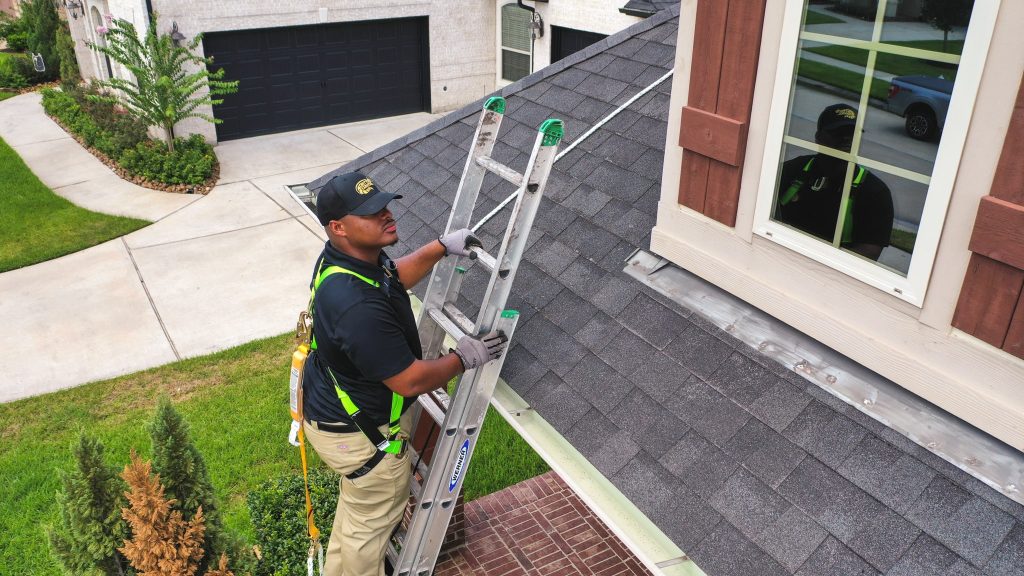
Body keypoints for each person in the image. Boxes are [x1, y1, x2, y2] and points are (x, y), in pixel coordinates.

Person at [301, 171, 508, 576]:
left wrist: (439, 249)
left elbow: (392, 280)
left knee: (358, 519)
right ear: (338, 227)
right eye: (370, 213)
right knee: (369, 531)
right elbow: (409, 381)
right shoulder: (354, 305)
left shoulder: (350, 261)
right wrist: (464, 357)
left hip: (336, 418)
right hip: (360, 437)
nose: (386, 215)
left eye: (383, 205)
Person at [775, 103, 894, 260]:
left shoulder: (874, 192)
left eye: (853, 133)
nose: (847, 139)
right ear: (818, 137)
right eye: (838, 133)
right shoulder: (794, 171)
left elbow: (868, 253)